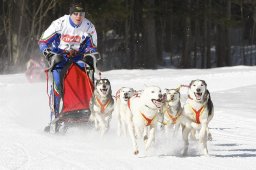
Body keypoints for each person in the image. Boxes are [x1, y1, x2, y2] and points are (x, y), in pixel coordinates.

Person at [38, 0, 97, 120]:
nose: (78, 16)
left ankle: (87, 112)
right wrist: (49, 54)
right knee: (58, 84)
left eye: (81, 14)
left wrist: (90, 54)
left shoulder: (88, 26)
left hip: (78, 56)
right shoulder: (59, 24)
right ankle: (54, 117)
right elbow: (43, 41)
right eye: (75, 13)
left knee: (88, 79)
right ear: (70, 14)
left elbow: (92, 46)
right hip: (60, 56)